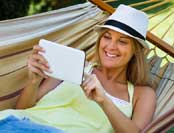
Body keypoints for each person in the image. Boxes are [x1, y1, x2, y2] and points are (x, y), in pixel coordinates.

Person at [2, 4, 156, 133]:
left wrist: (104, 101)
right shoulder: (73, 64)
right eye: (107, 37)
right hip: (15, 123)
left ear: (136, 50)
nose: (111, 46)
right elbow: (23, 109)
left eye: (122, 42)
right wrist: (34, 82)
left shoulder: (142, 94)